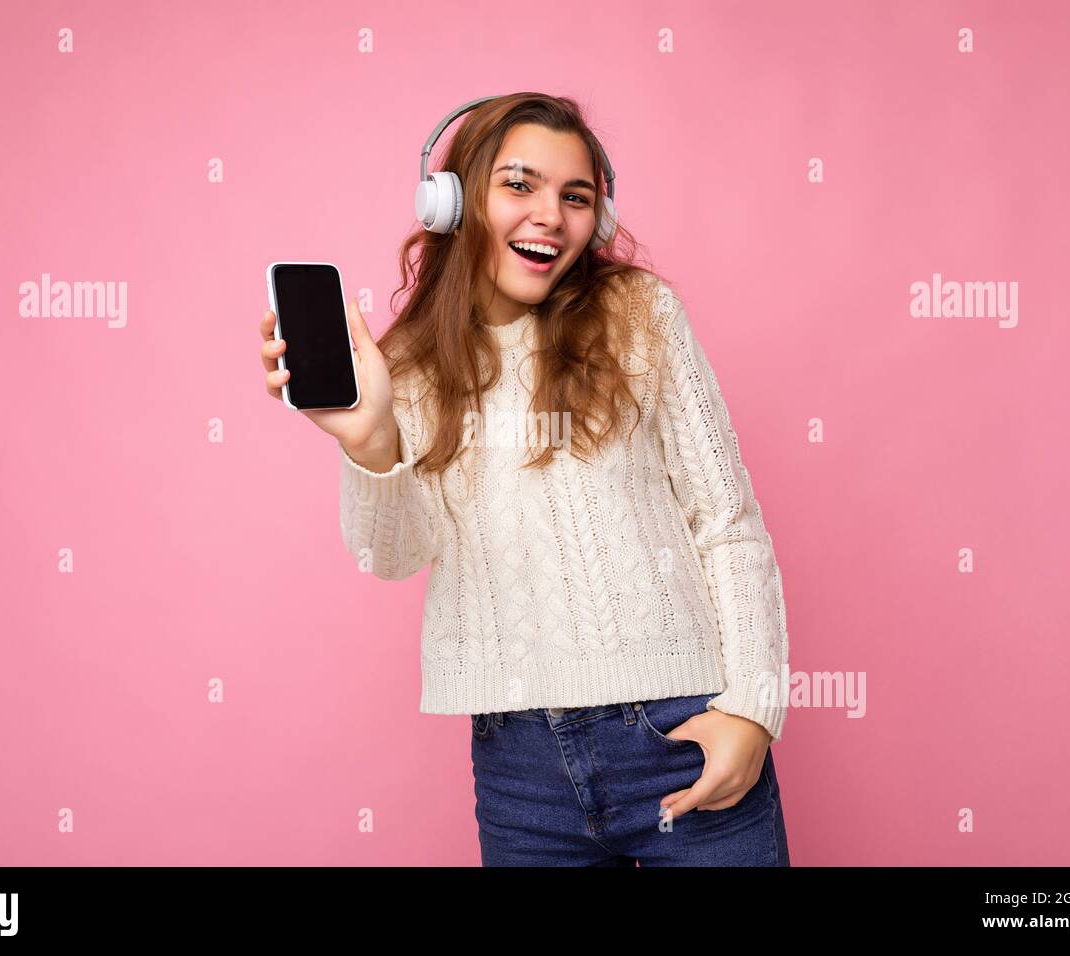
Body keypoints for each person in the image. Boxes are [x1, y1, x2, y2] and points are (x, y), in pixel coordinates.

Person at [258, 92, 791, 866]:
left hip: (679, 729)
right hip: (520, 771)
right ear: (454, 203)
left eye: (575, 198)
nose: (551, 215)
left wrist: (752, 708)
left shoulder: (641, 315)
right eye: (519, 185)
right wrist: (372, 443)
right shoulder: (404, 365)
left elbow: (727, 521)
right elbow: (394, 553)